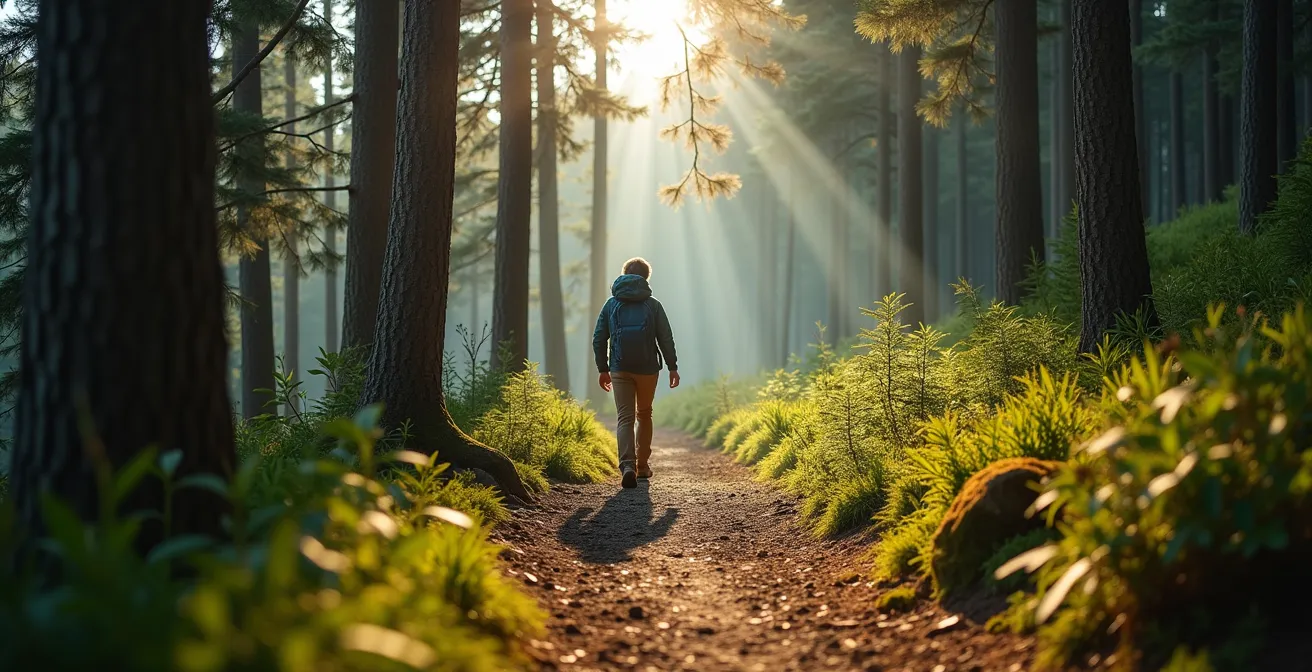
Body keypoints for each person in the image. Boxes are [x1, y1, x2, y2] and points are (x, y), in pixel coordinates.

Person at [592, 257, 680, 489]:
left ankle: (627, 465)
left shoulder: (611, 304)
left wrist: (603, 369)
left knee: (625, 417)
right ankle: (642, 466)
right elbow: (665, 338)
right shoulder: (653, 305)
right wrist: (672, 367)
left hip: (619, 368)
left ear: (624, 274)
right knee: (644, 413)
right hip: (648, 368)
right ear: (646, 278)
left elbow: (599, 338)